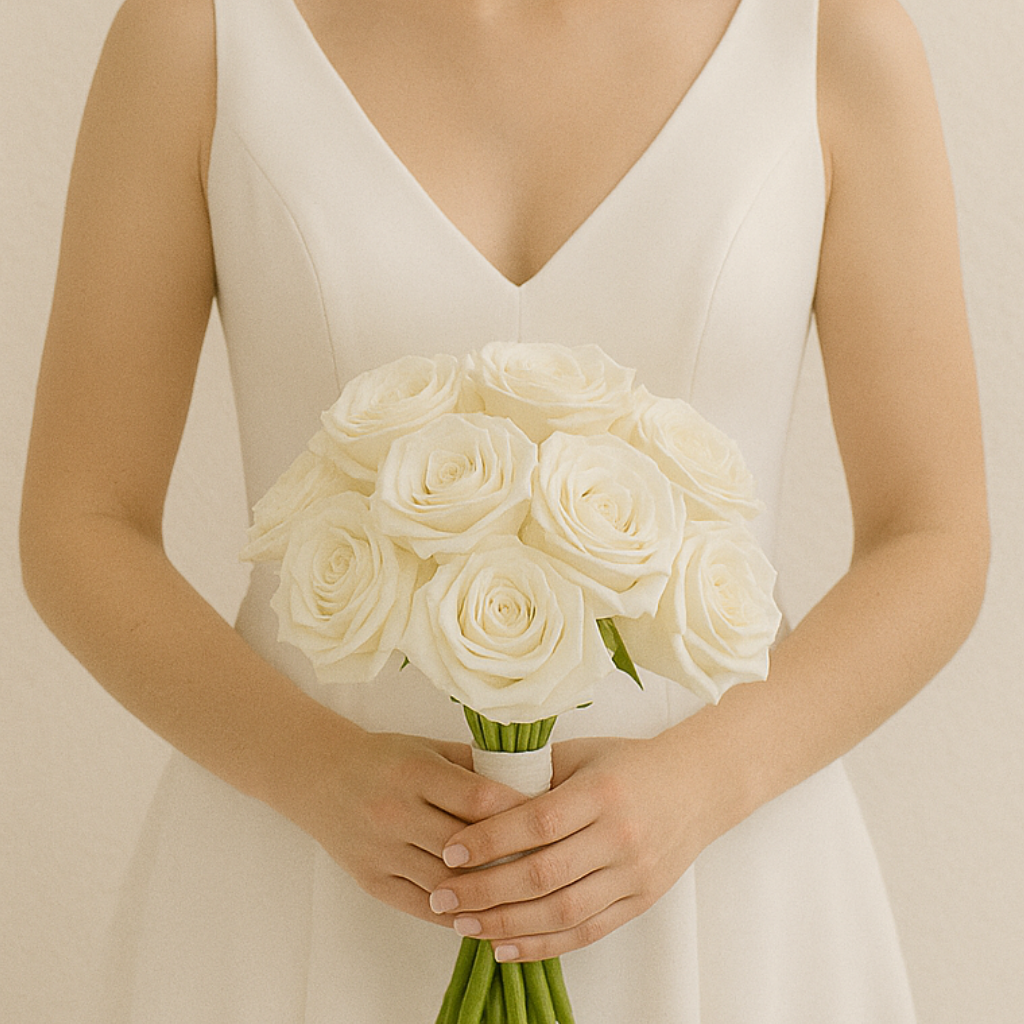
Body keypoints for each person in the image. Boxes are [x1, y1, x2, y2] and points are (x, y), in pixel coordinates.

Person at [20, 0, 988, 1019]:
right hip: (298, 877)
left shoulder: (830, 37)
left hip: (728, 891)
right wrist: (313, 770)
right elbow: (82, 518)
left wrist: (702, 784)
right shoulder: (200, 34)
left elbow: (932, 534)